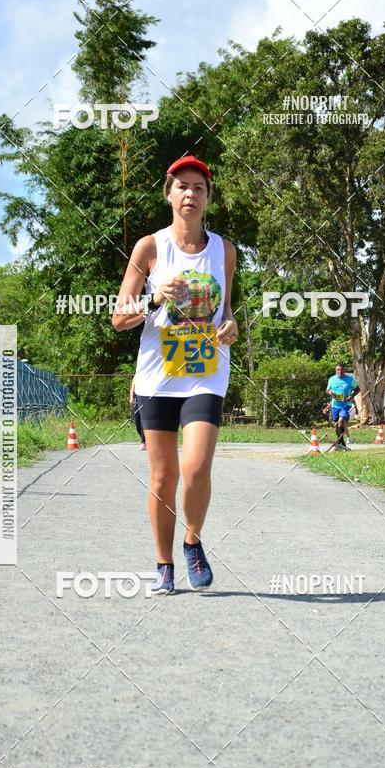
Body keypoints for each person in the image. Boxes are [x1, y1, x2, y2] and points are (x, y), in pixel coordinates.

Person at [112, 155, 238, 594]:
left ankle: (193, 541)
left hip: (205, 371)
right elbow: (119, 318)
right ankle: (164, 563)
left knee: (197, 465)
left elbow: (225, 313)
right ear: (169, 194)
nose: (190, 194)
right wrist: (153, 299)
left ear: (207, 197)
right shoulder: (150, 248)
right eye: (182, 186)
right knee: (164, 477)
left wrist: (231, 327)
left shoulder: (224, 250)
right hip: (157, 378)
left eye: (198, 188)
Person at [326, 363, 360, 449]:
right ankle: (340, 444)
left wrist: (351, 396)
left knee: (340, 421)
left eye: (342, 370)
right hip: (335, 405)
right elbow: (327, 390)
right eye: (338, 370)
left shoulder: (349, 379)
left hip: (346, 405)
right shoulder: (332, 379)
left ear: (344, 370)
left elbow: (357, 389)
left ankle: (341, 444)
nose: (340, 371)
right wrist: (330, 392)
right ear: (335, 370)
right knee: (338, 424)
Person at [129, 374, 146, 450]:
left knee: (143, 420)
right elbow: (132, 387)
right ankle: (144, 437)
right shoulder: (137, 375)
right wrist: (131, 397)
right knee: (137, 420)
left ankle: (143, 441)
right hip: (137, 399)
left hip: (144, 398)